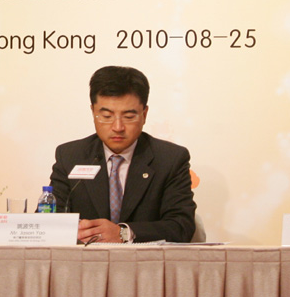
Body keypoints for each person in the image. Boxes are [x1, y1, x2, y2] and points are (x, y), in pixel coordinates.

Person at [49, 66, 197, 244]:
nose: (117, 127)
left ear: (144, 114)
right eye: (106, 116)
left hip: (146, 260)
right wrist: (75, 231)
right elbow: (49, 220)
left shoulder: (170, 159)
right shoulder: (70, 156)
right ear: (93, 112)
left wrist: (124, 233)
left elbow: (181, 226)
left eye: (128, 116)